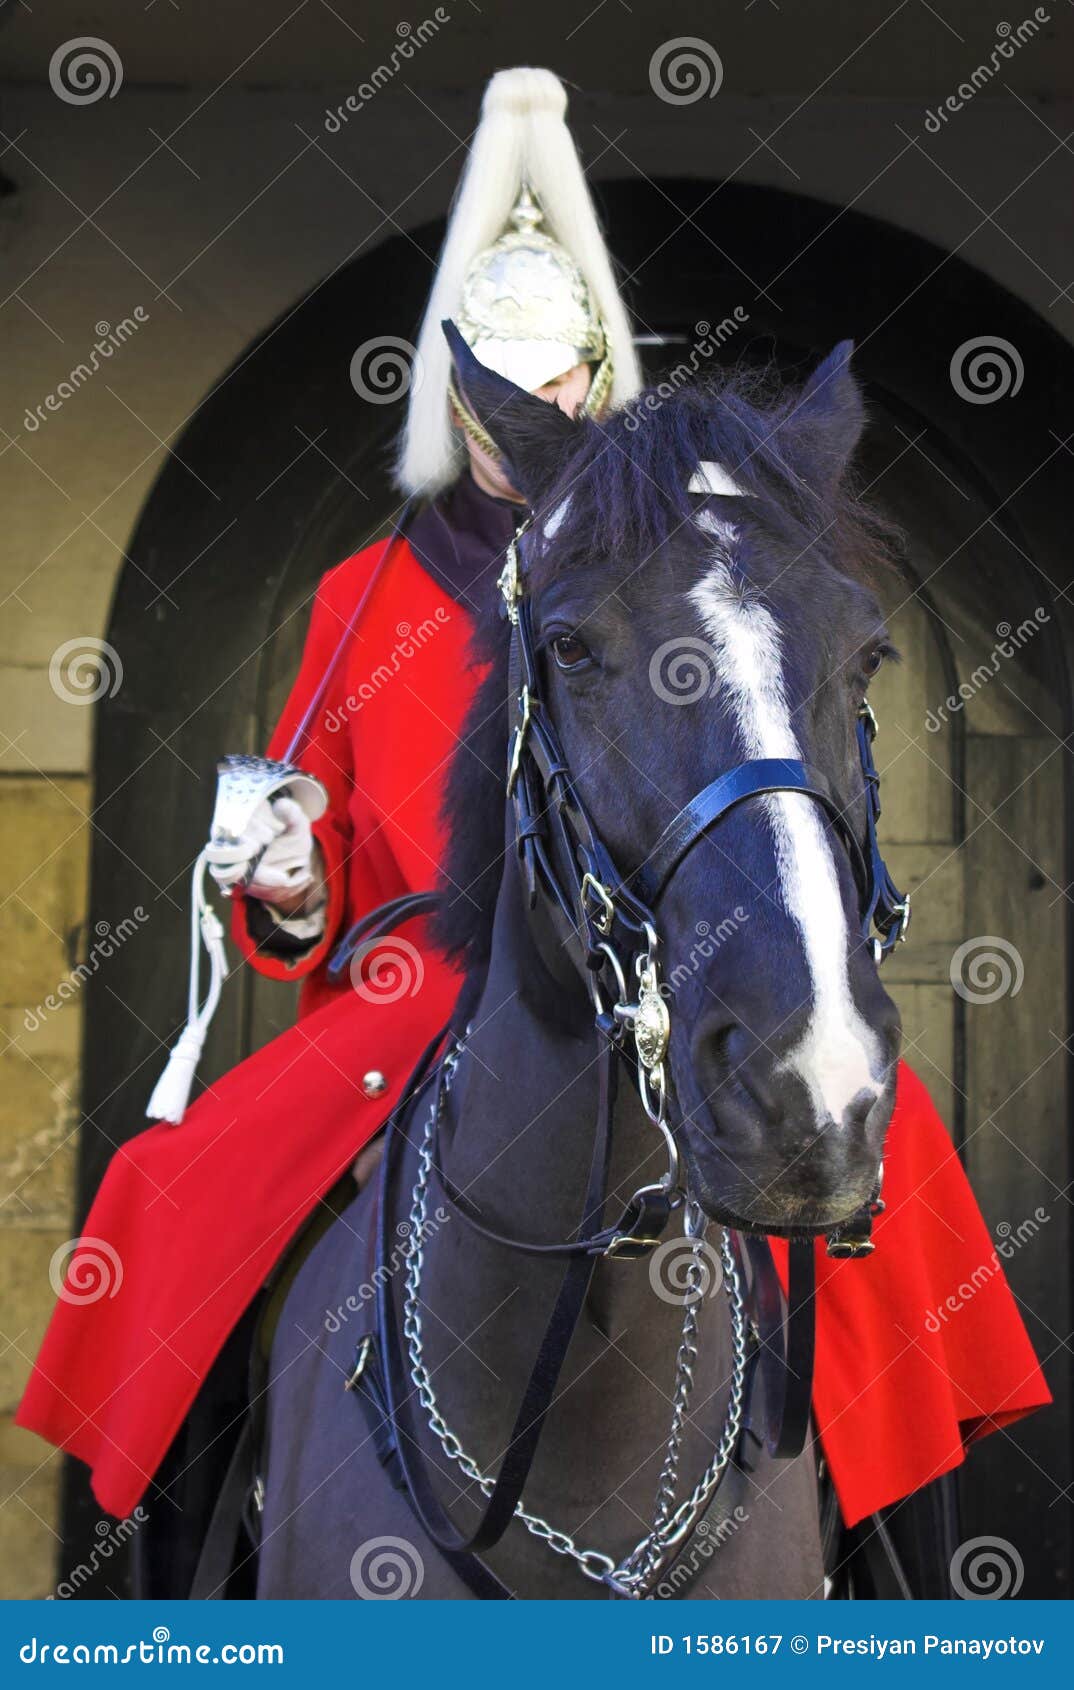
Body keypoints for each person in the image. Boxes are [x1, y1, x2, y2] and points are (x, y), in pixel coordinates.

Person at [18, 67, 1048, 1596]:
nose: (527, 416)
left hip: (647, 960)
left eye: (555, 380)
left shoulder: (662, 572)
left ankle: (888, 1556)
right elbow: (306, 890)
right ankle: (181, 1560)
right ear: (456, 397)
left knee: (880, 1163)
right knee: (169, 1195)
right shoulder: (356, 596)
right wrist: (289, 881)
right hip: (425, 983)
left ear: (589, 380)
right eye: (496, 386)